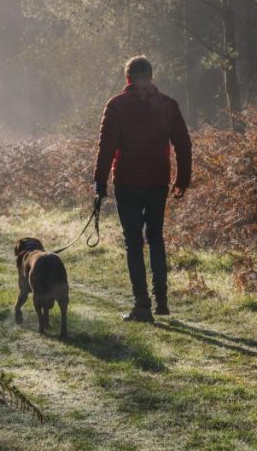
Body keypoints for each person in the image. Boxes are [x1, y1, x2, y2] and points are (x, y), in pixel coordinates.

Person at [94, 55, 192, 323]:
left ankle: (142, 305)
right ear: (150, 75)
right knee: (156, 237)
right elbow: (183, 145)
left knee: (134, 242)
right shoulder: (167, 105)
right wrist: (182, 180)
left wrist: (100, 182)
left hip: (127, 182)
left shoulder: (116, 105)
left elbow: (106, 148)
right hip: (158, 181)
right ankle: (161, 301)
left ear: (128, 78)